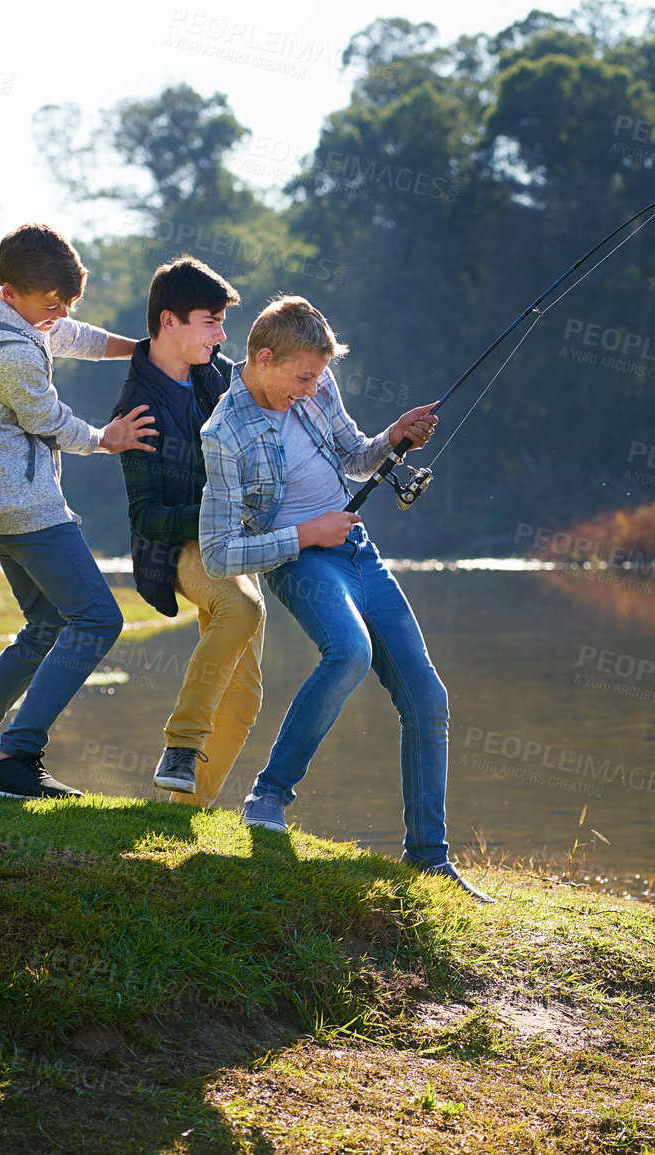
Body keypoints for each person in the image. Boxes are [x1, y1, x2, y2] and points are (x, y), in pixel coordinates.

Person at [197, 295, 492, 903]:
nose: (311, 388)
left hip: (359, 551)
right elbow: (220, 553)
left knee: (428, 697)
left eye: (319, 377)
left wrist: (395, 437)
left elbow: (356, 459)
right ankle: (268, 798)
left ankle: (429, 860)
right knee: (350, 652)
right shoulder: (223, 433)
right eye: (303, 378)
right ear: (263, 358)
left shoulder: (317, 385)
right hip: (299, 561)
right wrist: (308, 534)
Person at [0, 223, 156, 799]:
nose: (60, 314)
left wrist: (136, 348)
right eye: (52, 305)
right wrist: (107, 437)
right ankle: (14, 758)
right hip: (24, 507)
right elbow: (52, 423)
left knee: (45, 626)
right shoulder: (9, 353)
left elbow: (66, 334)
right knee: (98, 619)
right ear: (13, 293)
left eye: (67, 303)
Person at [112, 256, 262, 807]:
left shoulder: (212, 374)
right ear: (169, 321)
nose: (222, 335)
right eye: (211, 322)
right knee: (242, 610)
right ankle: (179, 746)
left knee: (244, 700)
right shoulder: (137, 407)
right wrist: (215, 510)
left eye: (223, 323)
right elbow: (146, 515)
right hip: (176, 548)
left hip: (231, 540)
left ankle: (184, 810)